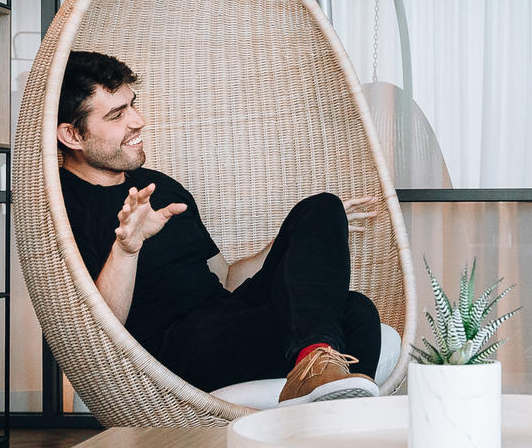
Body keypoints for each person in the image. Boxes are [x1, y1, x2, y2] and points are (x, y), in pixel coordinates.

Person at [56, 50, 383, 405]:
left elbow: (225, 278)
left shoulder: (160, 186)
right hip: (174, 350)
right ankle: (319, 375)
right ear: (73, 135)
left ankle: (316, 368)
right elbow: (97, 336)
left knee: (326, 221)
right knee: (350, 318)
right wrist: (127, 249)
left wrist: (303, 242)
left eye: (132, 105)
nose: (139, 121)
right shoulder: (63, 208)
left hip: (225, 319)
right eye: (117, 115)